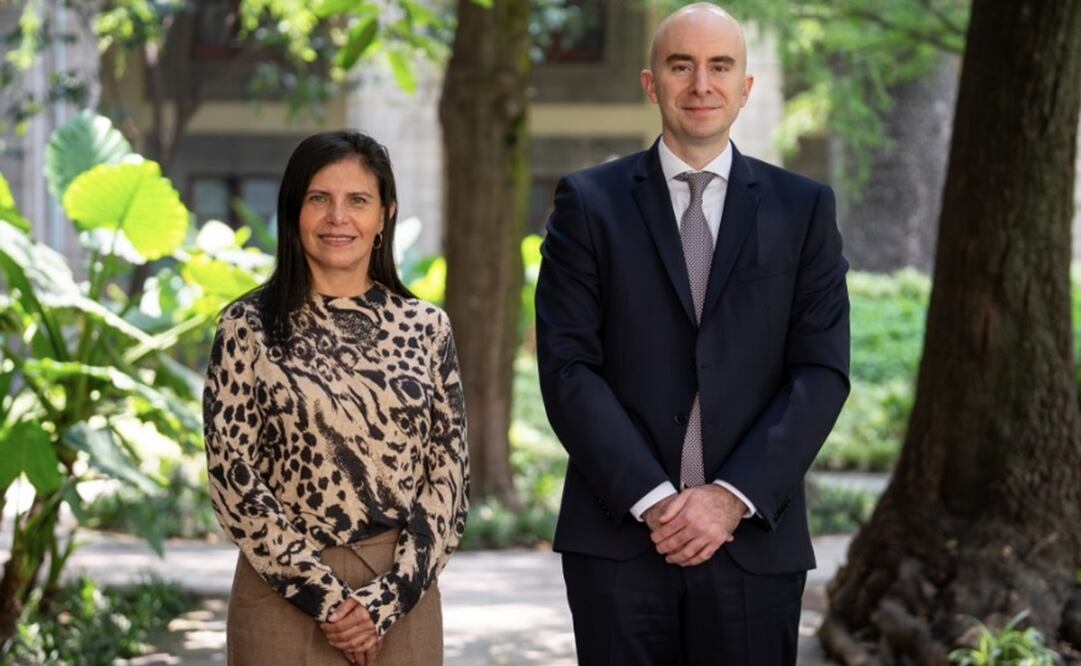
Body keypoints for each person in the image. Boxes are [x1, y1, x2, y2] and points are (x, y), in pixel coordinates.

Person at [535, 4, 850, 665]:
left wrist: (729, 499)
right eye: (681, 66)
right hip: (619, 539)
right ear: (652, 83)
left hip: (753, 540)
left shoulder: (803, 209)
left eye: (718, 67)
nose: (700, 84)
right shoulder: (588, 203)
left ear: (745, 87)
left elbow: (819, 371)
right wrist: (654, 501)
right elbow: (567, 367)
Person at [203, 130, 469, 666]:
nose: (337, 218)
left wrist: (387, 599)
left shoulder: (426, 327)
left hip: (401, 589)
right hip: (279, 591)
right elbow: (231, 473)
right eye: (319, 198)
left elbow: (450, 476)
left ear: (385, 215)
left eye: (358, 201)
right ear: (294, 210)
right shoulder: (246, 326)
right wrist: (324, 599)